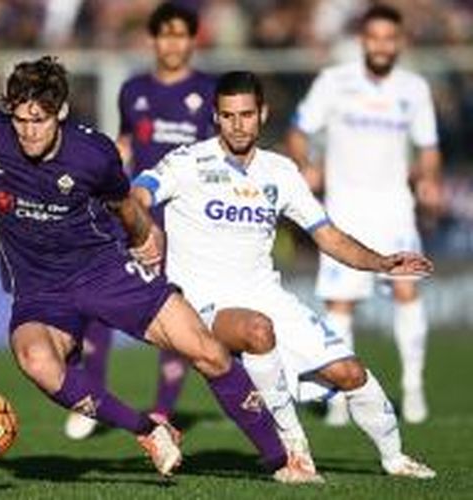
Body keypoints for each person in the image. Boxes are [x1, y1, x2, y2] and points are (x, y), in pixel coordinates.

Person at [0, 56, 316, 482]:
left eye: (40, 120)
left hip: (104, 271)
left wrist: (144, 236)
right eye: (19, 119)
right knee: (36, 360)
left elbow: (124, 204)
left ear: (63, 113)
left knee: (207, 351)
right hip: (40, 291)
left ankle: (281, 461)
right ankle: (148, 430)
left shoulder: (92, 153)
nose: (28, 131)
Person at [130, 70, 436, 479]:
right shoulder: (187, 162)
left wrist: (381, 262)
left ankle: (396, 459)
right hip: (201, 303)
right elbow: (138, 194)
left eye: (246, 114)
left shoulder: (281, 172)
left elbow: (327, 235)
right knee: (257, 330)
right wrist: (143, 228)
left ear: (263, 114)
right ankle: (295, 453)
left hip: (267, 295)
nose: (238, 124)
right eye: (228, 115)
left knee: (351, 373)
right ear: (216, 118)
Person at [65, 1, 216, 441]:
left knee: (173, 312)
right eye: (165, 34)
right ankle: (91, 401)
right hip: (132, 213)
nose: (172, 42)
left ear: (193, 40)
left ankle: (163, 412)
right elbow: (127, 143)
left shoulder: (209, 91)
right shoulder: (132, 90)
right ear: (152, 40)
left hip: (184, 218)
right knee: (99, 304)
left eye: (181, 34)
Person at [285, 4, 442, 425]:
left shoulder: (414, 88)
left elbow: (428, 147)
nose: (381, 45)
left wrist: (428, 178)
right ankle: (340, 396)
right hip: (346, 208)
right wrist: (307, 165)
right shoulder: (335, 82)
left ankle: (413, 388)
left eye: (389, 38)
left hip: (395, 208)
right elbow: (299, 130)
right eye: (374, 37)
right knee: (341, 303)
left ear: (399, 42)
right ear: (363, 41)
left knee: (408, 292)